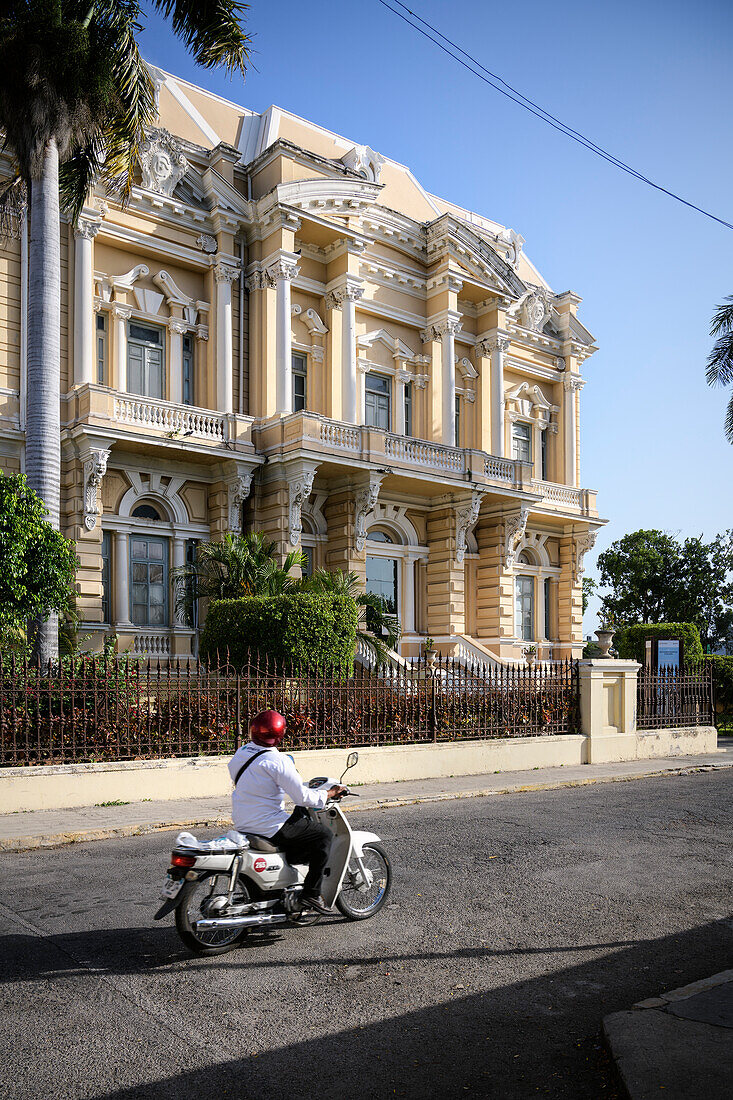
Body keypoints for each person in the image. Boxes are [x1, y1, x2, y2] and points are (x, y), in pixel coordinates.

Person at [228, 710, 346, 914]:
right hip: (270, 825)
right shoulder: (278, 761)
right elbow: (303, 797)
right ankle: (311, 894)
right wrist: (329, 793)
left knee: (300, 817)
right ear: (280, 735)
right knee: (323, 835)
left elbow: (257, 780)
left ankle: (285, 880)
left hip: (243, 820)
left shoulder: (243, 752)